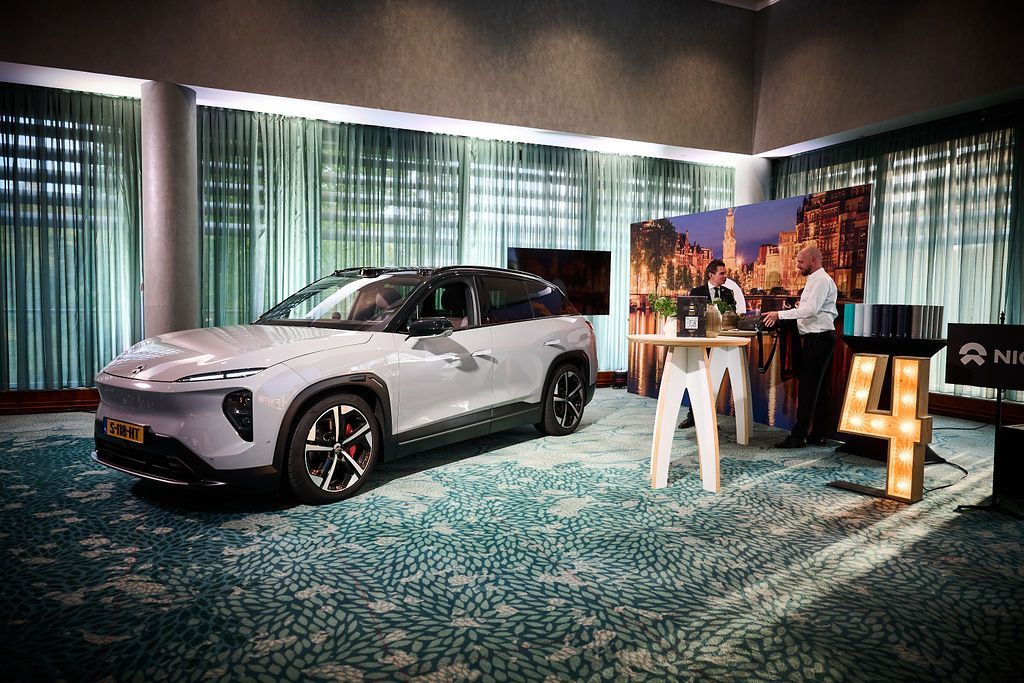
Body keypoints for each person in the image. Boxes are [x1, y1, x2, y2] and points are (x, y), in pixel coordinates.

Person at [761, 246, 838, 448]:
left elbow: (811, 310)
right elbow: (811, 308)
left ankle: (798, 436)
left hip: (819, 339)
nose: (797, 265)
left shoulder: (821, 281)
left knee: (808, 388)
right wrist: (794, 309)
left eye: (801, 262)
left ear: (814, 260)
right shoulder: (816, 280)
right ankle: (818, 434)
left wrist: (780, 314)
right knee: (819, 389)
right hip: (819, 338)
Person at [678, 259, 740, 429]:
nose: (725, 277)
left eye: (725, 273)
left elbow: (732, 315)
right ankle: (693, 416)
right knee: (697, 379)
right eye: (722, 274)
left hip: (721, 344)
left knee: (713, 381)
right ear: (711, 275)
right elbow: (691, 316)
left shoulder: (728, 293)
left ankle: (709, 417)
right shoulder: (697, 291)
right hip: (702, 342)